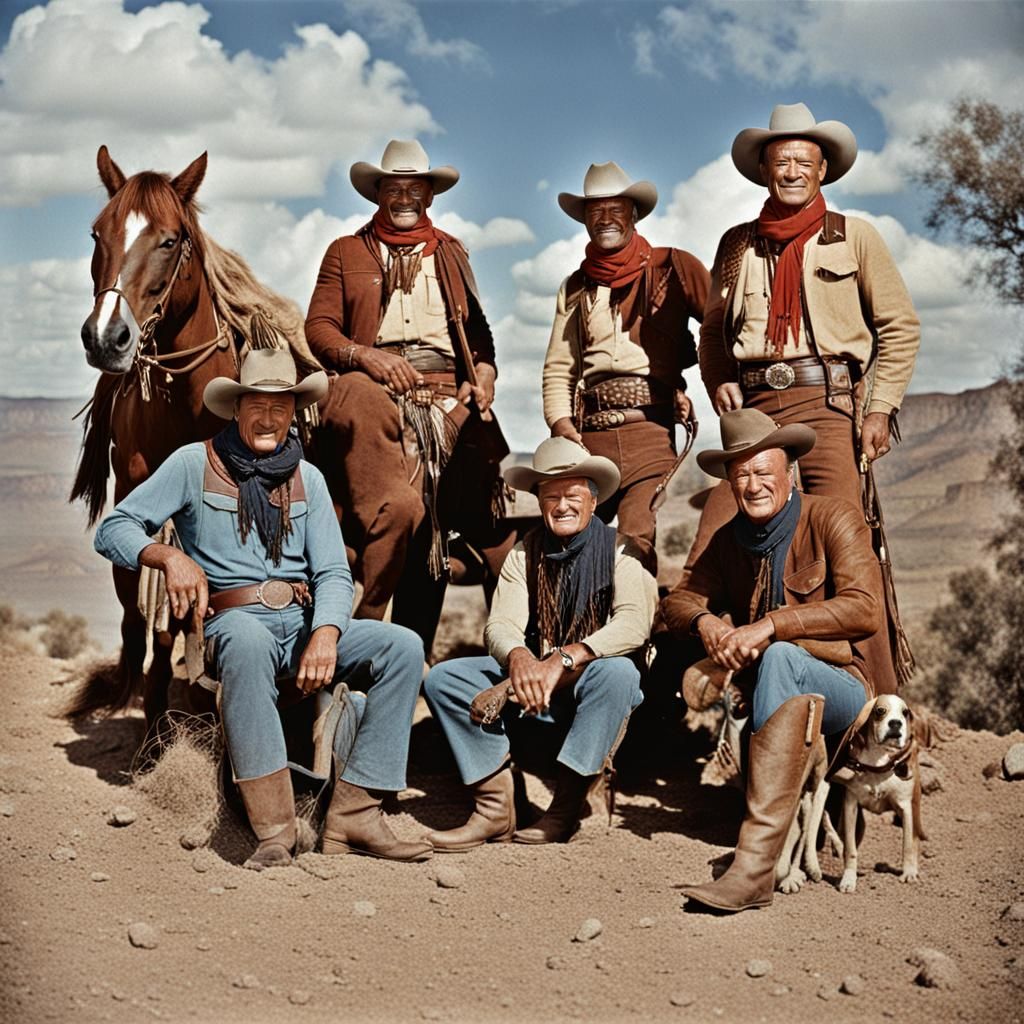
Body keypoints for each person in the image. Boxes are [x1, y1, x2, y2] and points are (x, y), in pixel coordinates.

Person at [93, 349, 432, 869]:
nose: (270, 418)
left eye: (281, 406)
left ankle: (355, 815)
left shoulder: (308, 479)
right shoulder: (193, 463)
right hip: (232, 622)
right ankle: (275, 830)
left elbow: (332, 573)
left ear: (294, 412)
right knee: (248, 642)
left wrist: (326, 632)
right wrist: (167, 557)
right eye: (258, 405)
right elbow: (113, 529)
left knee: (403, 647)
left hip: (302, 622)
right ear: (236, 408)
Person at [695, 102, 920, 692]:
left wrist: (880, 407)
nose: (791, 171)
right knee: (720, 538)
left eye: (803, 161)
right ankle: (729, 693)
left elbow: (899, 326)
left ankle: (877, 708)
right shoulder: (736, 245)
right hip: (752, 415)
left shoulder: (855, 237)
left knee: (850, 549)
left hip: (828, 405)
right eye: (780, 161)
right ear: (763, 170)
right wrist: (718, 376)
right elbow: (713, 329)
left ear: (822, 170)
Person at [660, 409, 883, 912]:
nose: (753, 485)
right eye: (741, 475)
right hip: (774, 697)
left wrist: (772, 625)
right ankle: (765, 853)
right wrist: (707, 623)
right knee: (771, 663)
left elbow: (865, 609)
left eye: (763, 471)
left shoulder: (832, 517)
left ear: (790, 472)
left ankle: (754, 868)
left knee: (780, 654)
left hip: (843, 689)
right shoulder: (728, 539)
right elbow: (679, 600)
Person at [304, 139, 512, 650]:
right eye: (394, 190)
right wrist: (365, 357)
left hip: (443, 392)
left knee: (485, 513)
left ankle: (438, 645)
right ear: (377, 194)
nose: (404, 199)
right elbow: (320, 329)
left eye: (414, 190)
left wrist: (485, 373)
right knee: (373, 473)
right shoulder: (346, 251)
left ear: (430, 196)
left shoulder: (452, 253)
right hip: (370, 387)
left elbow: (479, 336)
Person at [422, 437, 657, 850]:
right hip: (537, 683)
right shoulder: (523, 553)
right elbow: (501, 625)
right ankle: (496, 807)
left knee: (619, 671)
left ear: (593, 501)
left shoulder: (623, 551)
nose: (562, 506)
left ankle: (566, 807)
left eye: (573, 496)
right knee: (445, 679)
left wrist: (564, 659)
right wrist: (519, 657)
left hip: (591, 684)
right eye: (551, 497)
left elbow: (633, 625)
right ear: (539, 501)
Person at [542, 161, 709, 572]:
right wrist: (561, 423)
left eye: (615, 210)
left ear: (633, 214)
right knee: (575, 541)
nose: (605, 219)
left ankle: (637, 614)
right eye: (595, 211)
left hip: (649, 429)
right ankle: (580, 614)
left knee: (637, 534)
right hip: (590, 433)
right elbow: (559, 365)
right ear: (584, 220)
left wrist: (704, 386)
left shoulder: (674, 267)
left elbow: (720, 327)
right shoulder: (576, 286)